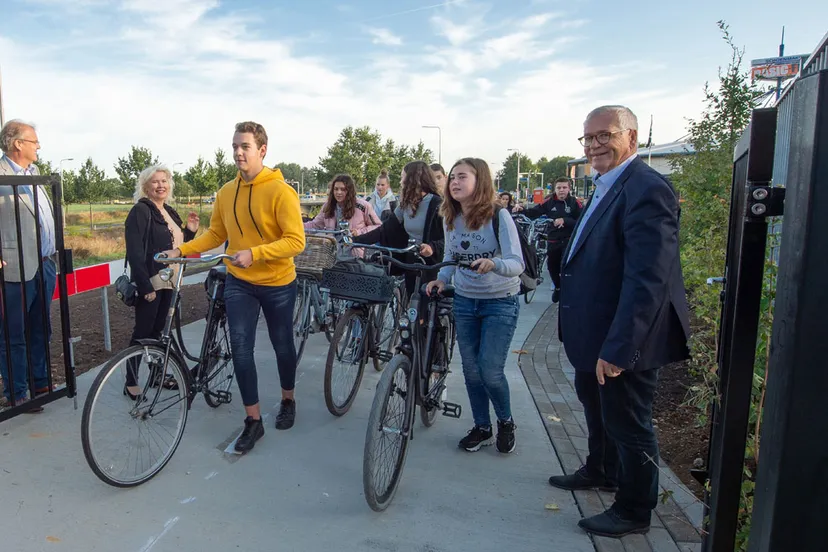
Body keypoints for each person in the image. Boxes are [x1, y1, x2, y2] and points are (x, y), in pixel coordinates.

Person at [550, 106, 690, 538]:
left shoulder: (646, 188)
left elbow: (648, 278)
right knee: (598, 408)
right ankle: (601, 469)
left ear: (630, 136)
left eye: (604, 135)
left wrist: (618, 348)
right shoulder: (609, 186)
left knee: (629, 422)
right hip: (596, 332)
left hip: (623, 338)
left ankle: (633, 509)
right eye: (587, 138)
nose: (594, 145)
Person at [162, 121, 305, 453]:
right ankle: (253, 422)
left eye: (245, 147)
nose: (238, 153)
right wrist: (181, 249)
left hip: (278, 283)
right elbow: (216, 234)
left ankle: (288, 398)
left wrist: (255, 253)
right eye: (235, 146)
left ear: (262, 150)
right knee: (241, 349)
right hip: (239, 282)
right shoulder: (227, 192)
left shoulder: (281, 191)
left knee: (283, 344)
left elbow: (295, 241)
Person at [427, 158, 524, 454]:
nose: (454, 182)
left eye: (462, 177)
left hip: (500, 302)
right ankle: (482, 427)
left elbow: (516, 263)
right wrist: (441, 279)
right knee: (470, 371)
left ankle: (505, 421)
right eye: (452, 177)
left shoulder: (499, 216)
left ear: (479, 180)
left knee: (490, 371)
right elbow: (452, 259)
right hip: (466, 301)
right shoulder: (450, 216)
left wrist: (493, 263)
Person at [123, 165, 198, 399]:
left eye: (164, 181)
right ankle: (131, 382)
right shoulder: (141, 211)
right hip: (153, 281)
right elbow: (135, 252)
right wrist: (145, 287)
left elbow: (177, 247)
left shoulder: (169, 211)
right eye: (155, 181)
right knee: (143, 332)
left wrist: (190, 232)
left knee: (159, 332)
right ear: (146, 186)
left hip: (171, 281)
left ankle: (157, 375)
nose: (161, 185)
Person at [0, 120, 56, 412]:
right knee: (14, 332)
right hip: (14, 267)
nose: (38, 146)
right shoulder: (1, 175)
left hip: (45, 265)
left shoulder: (34, 173)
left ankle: (40, 383)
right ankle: (18, 391)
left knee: (40, 328)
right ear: (17, 143)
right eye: (34, 141)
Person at [353, 160, 444, 298]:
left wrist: (432, 247)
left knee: (427, 307)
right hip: (411, 260)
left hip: (430, 264)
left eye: (403, 177)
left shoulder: (438, 204)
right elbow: (386, 229)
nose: (401, 182)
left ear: (414, 179)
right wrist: (357, 240)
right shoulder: (405, 205)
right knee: (411, 303)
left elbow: (450, 238)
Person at [513, 177, 582, 301]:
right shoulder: (549, 202)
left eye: (564, 187)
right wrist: (521, 209)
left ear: (569, 189)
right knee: (552, 266)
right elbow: (534, 212)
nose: (561, 190)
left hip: (569, 239)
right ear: (555, 189)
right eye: (559, 188)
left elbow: (582, 220)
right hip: (553, 240)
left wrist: (565, 221)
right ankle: (558, 288)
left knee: (565, 265)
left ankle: (569, 291)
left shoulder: (574, 203)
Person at [304, 173, 381, 255]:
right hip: (333, 255)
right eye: (336, 189)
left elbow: (378, 227)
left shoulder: (363, 206)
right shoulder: (327, 207)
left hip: (356, 255)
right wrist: (296, 226)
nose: (338, 192)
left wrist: (358, 232)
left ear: (349, 190)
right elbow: (314, 225)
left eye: (343, 189)